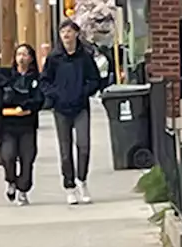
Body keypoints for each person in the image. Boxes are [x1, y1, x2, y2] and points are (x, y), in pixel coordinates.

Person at [40, 20, 105, 205]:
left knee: (83, 145)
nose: (66, 35)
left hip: (81, 106)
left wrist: (83, 91)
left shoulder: (84, 57)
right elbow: (45, 81)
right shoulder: (54, 57)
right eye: (63, 32)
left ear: (76, 34)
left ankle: (82, 180)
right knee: (65, 149)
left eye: (69, 31)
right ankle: (69, 186)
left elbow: (94, 79)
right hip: (61, 109)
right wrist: (55, 95)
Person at [0, 43, 44, 206]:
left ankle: (23, 190)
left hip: (27, 125)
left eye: (25, 54)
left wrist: (26, 107)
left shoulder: (36, 79)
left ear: (31, 58)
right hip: (7, 125)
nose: (21, 58)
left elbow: (40, 99)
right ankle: (11, 181)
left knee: (27, 158)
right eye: (18, 54)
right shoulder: (7, 75)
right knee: (8, 156)